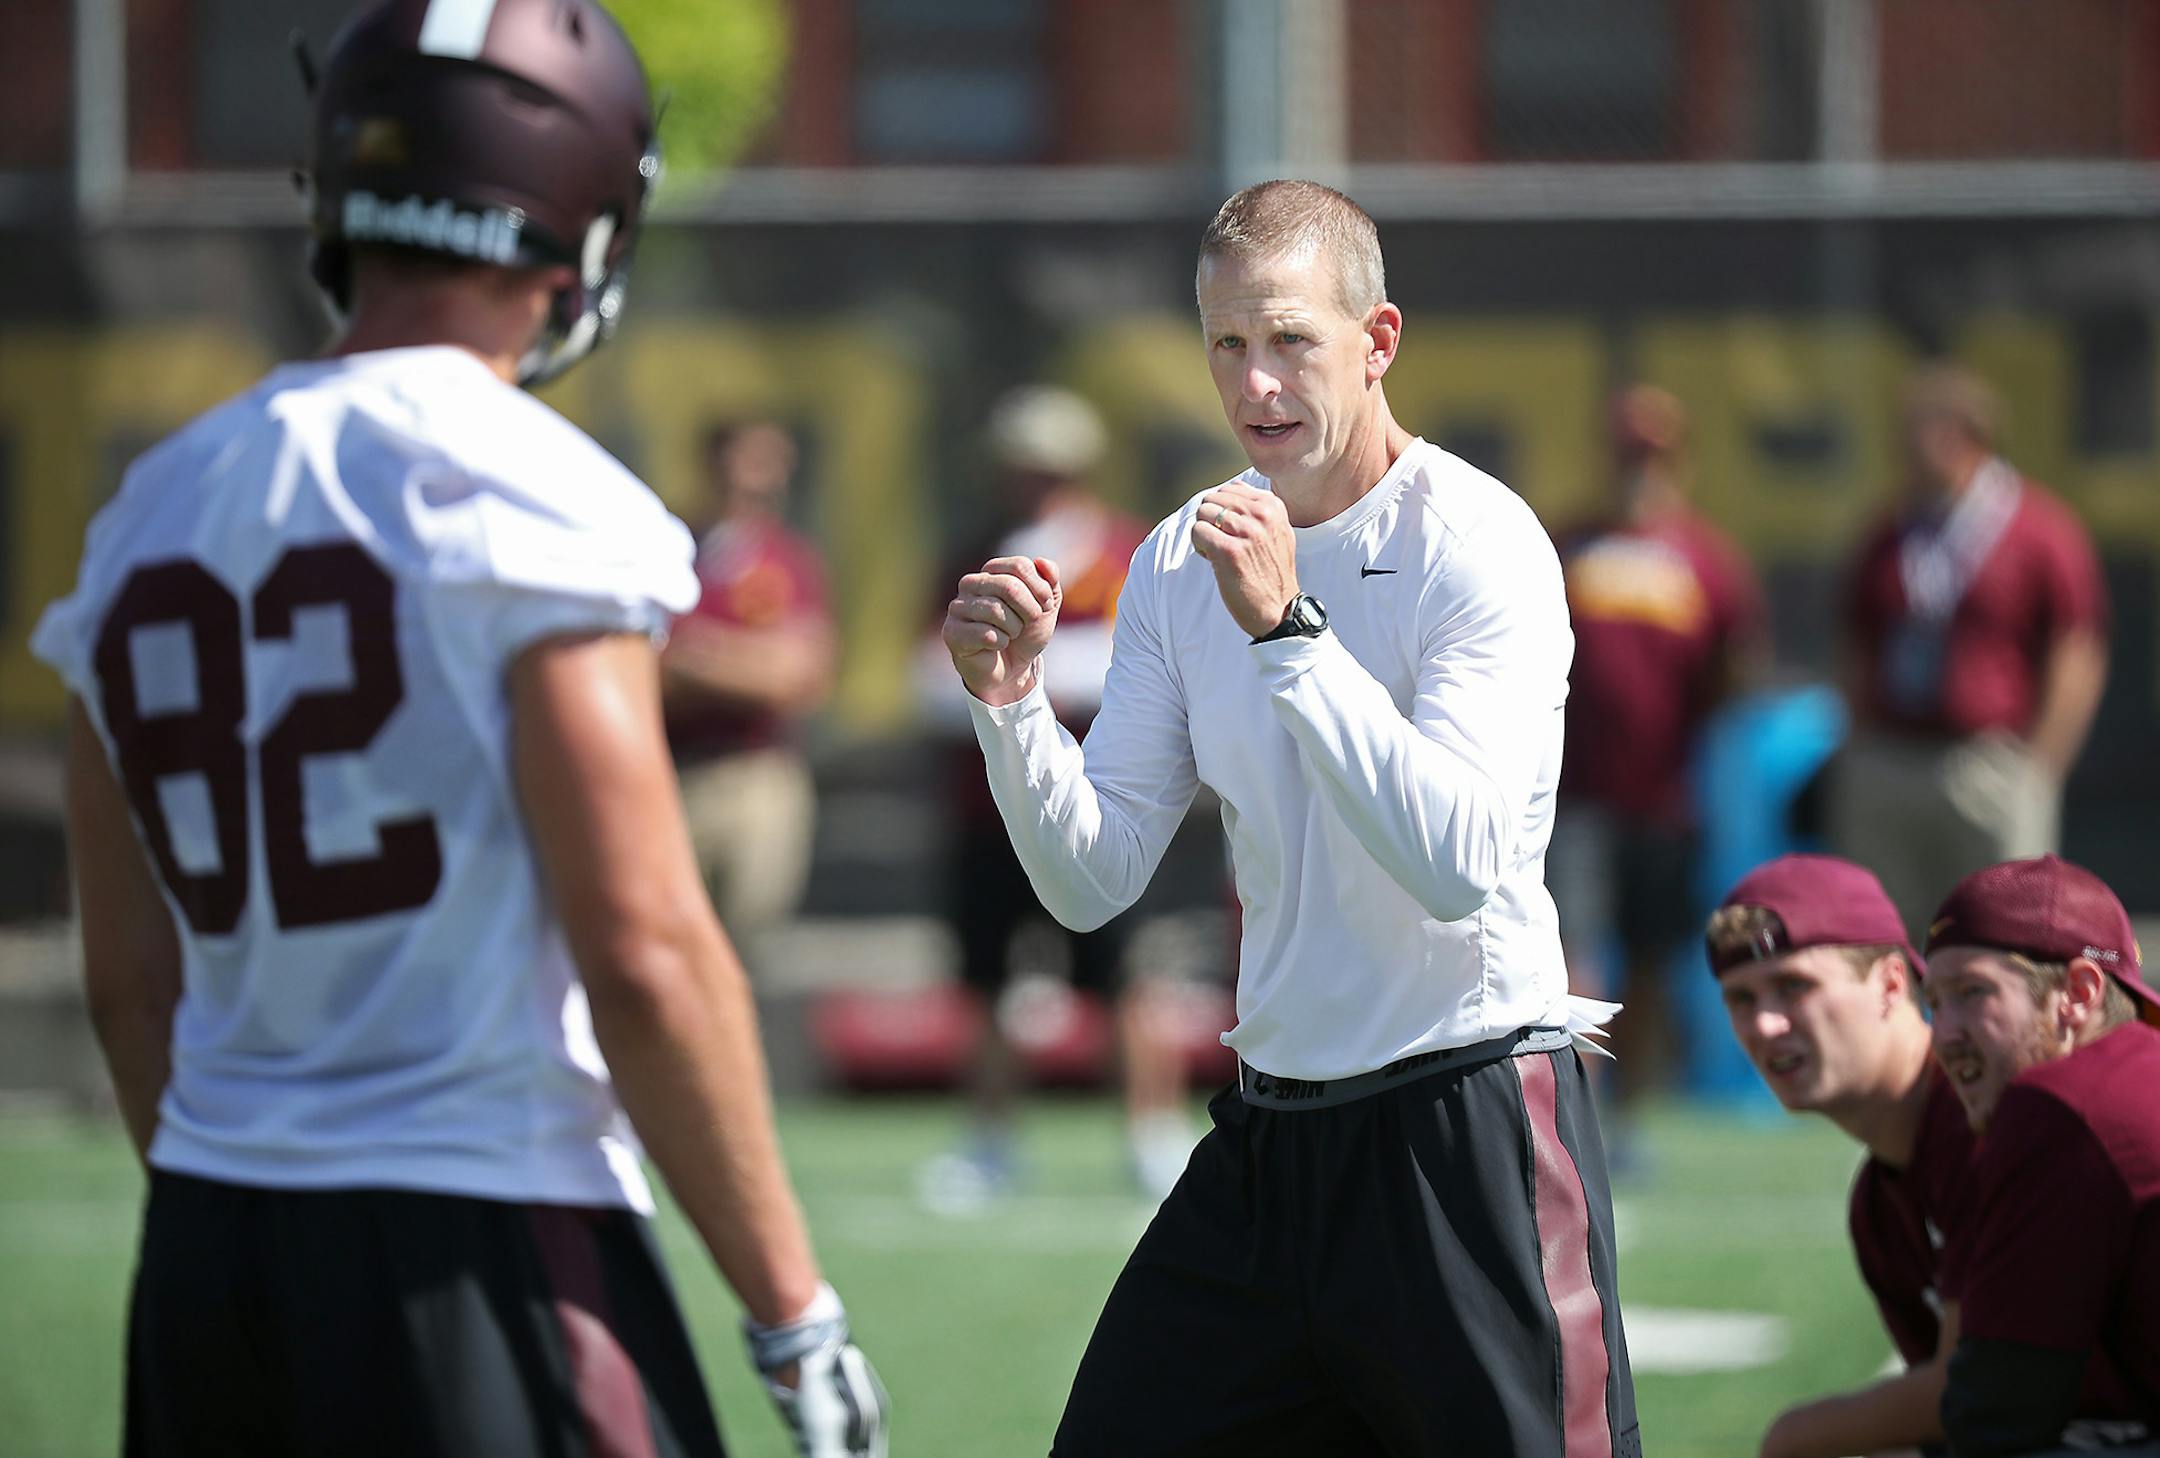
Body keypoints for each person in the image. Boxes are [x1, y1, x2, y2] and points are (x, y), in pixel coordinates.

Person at [31, 4, 886, 1454]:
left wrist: (240, 1197)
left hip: (206, 1253)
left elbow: (128, 977)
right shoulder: (533, 494)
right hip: (482, 1231)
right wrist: (791, 1309)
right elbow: (644, 942)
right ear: (580, 217)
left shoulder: (147, 513)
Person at [943, 179, 1635, 1456]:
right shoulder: (1173, 560)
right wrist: (1014, 708)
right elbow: (1091, 882)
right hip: (1268, 1145)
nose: (1256, 385)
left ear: (1377, 341)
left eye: (1290, 341)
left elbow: (1458, 865)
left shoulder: (1480, 540)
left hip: (1467, 1125)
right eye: (1226, 344)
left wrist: (1290, 633)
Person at [916, 384, 1196, 1207]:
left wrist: (1038, 666)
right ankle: (990, 1142)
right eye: (1022, 467)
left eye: (1050, 467)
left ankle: (1152, 1137)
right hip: (987, 804)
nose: (1034, 483)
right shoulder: (973, 553)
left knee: (1129, 981)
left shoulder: (1125, 553)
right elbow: (928, 675)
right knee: (988, 984)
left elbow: (1147, 661)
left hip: (1109, 800)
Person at [1705, 854, 1972, 1458]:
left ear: (1891, 985)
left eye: (1795, 986)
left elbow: (1982, 1391)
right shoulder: (1878, 1208)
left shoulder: (1980, 1118)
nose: (1765, 1025)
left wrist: (1792, 1438)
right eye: (1740, 999)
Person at [1833, 366, 2109, 930]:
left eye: (1921, 430)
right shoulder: (1890, 531)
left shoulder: (2037, 528)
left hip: (1987, 764)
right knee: (1885, 936)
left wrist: (2037, 764)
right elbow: (1856, 639)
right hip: (1892, 756)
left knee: (2006, 936)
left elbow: (2076, 649)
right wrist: (1859, 739)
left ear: (1968, 435)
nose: (1905, 447)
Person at [1552, 384, 1764, 1117]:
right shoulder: (1569, 546)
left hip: (1666, 799)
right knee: (1571, 953)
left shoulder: (1706, 559)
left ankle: (1626, 1117)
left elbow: (1736, 666)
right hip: (1572, 793)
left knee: (1647, 961)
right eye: (1628, 451)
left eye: (1654, 453)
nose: (1640, 467)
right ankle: (1574, 1107)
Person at [1921, 856, 2160, 1456]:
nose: (1942, 1035)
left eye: (1972, 993)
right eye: (1934, 1004)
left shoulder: (2059, 1106)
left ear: (2077, 994)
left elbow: (1998, 1415)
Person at [662, 420, 835, 966]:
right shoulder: (667, 549)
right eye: (750, 458)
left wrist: (696, 655)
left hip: (755, 777)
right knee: (669, 953)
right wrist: (749, 659)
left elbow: (799, 678)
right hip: (672, 775)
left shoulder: (788, 560)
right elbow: (643, 666)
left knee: (740, 958)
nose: (764, 476)